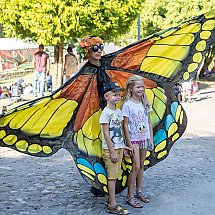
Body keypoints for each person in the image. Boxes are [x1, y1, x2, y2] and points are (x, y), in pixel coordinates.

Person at [122, 75, 154, 208]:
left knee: (141, 165)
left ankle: (138, 191)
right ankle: (129, 196)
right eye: (138, 86)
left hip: (144, 139)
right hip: (134, 140)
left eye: (142, 86)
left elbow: (148, 121)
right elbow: (124, 125)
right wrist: (128, 143)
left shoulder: (144, 103)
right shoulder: (127, 105)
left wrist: (151, 138)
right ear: (130, 88)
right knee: (135, 166)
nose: (141, 89)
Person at [100, 81, 130, 215]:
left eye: (119, 95)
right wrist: (112, 151)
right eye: (115, 95)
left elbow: (120, 130)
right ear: (107, 96)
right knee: (112, 177)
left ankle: (110, 199)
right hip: (110, 149)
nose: (118, 97)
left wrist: (123, 146)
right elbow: (106, 133)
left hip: (119, 147)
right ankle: (112, 204)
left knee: (116, 175)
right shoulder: (105, 113)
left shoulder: (118, 112)